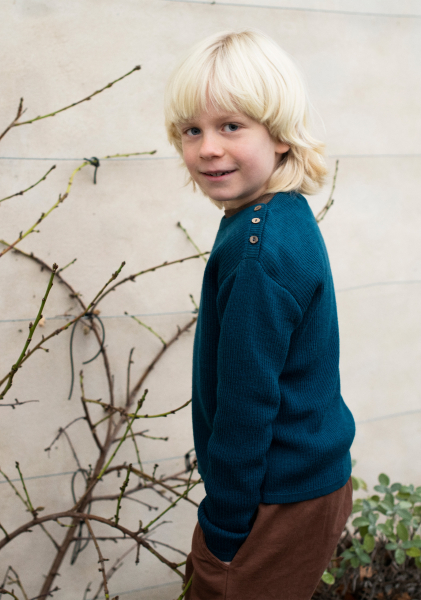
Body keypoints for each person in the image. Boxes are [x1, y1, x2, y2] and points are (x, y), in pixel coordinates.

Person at [164, 29, 356, 600]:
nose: (208, 148)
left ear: (281, 136)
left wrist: (224, 529)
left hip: (271, 501)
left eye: (231, 126)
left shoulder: (257, 248)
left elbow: (247, 406)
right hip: (307, 483)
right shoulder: (282, 213)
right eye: (192, 130)